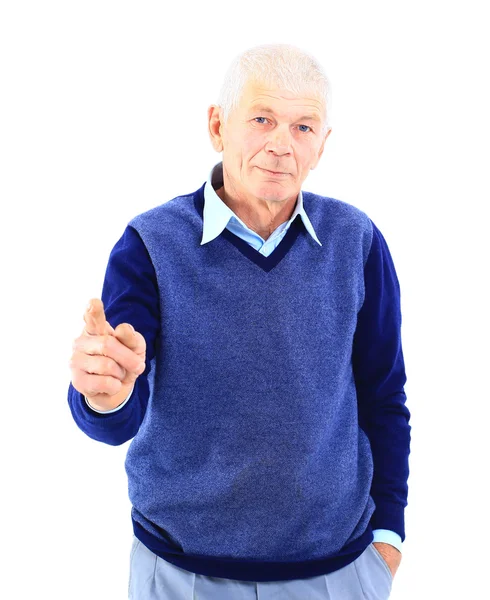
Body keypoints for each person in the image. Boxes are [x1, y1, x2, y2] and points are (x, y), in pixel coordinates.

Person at [68, 43, 411, 600]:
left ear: (323, 146)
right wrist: (104, 395)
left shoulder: (358, 241)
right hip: (183, 574)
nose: (281, 144)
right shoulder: (151, 245)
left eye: (303, 127)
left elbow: (384, 397)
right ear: (217, 125)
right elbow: (116, 411)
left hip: (337, 570)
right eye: (262, 119)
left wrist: (389, 536)